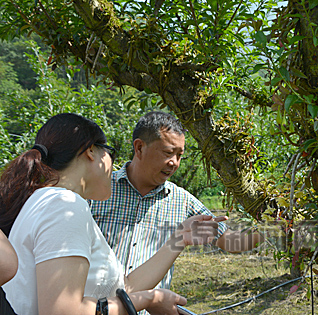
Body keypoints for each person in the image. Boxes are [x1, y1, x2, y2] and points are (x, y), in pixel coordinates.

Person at [0, 113, 225, 315]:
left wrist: (178, 240)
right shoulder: (66, 205)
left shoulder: (44, 201)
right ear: (90, 151)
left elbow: (121, 289)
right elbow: (63, 311)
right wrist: (147, 299)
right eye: (110, 153)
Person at [90, 111, 263, 290]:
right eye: (168, 152)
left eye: (179, 156)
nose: (174, 163)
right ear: (139, 148)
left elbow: (228, 240)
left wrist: (273, 227)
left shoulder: (181, 201)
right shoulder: (96, 190)